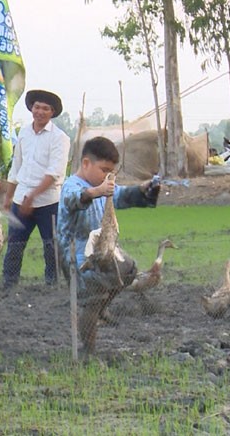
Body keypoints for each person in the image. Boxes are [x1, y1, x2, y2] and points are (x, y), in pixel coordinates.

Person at [56, 136, 160, 352]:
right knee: (92, 301)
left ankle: (102, 308)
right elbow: (76, 198)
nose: (108, 176)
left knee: (129, 270)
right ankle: (88, 350)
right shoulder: (71, 185)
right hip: (77, 256)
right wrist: (97, 191)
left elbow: (122, 195)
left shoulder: (103, 187)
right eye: (104, 170)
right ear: (86, 163)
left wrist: (143, 189)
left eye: (110, 171)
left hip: (102, 251)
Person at [2, 89, 70, 290]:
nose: (40, 111)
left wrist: (32, 197)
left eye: (45, 108)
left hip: (48, 202)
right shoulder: (23, 132)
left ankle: (52, 284)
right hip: (20, 199)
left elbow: (54, 173)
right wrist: (8, 196)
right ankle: (9, 284)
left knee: (51, 246)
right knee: (14, 244)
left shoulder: (60, 138)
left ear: (52, 112)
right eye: (37, 107)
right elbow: (17, 166)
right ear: (31, 108)